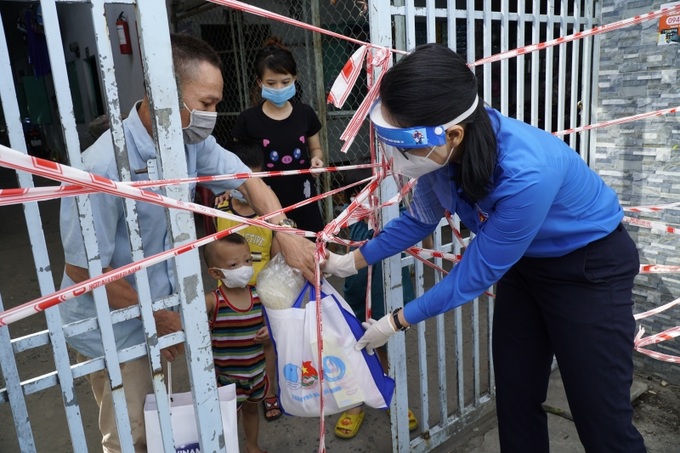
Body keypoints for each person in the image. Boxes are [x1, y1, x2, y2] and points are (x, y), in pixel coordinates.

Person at [323, 43, 647, 453]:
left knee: (600, 417)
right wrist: (350, 261)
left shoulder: (527, 174)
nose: (397, 159)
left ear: (453, 134)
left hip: (588, 270)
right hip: (526, 268)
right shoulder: (443, 158)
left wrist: (395, 321)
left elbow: (474, 274)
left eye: (403, 146)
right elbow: (420, 219)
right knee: (514, 396)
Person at [58, 33, 314, 452]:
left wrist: (284, 232)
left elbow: (249, 180)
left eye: (217, 103)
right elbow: (83, 270)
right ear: (162, 93)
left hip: (160, 309)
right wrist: (154, 317)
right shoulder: (102, 167)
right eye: (207, 103)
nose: (212, 115)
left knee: (162, 422)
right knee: (131, 434)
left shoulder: (189, 142)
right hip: (114, 323)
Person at [334, 162, 417, 438]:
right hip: (358, 296)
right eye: (357, 193)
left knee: (388, 350)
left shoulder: (397, 213)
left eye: (370, 191)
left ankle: (391, 395)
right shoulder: (349, 219)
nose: (365, 198)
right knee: (354, 347)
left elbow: (420, 232)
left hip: (390, 298)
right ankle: (355, 403)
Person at [214, 139, 282, 422]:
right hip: (227, 297)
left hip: (260, 296)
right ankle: (231, 395)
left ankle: (268, 393)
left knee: (265, 344)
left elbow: (278, 262)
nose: (247, 187)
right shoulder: (219, 208)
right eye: (241, 179)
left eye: (255, 179)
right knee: (227, 348)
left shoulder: (272, 215)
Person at [232, 36, 326, 234]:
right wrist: (229, 188)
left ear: (295, 78)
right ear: (259, 82)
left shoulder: (305, 113)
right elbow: (236, 161)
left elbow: (315, 148)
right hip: (263, 199)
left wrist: (317, 159)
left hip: (304, 196)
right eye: (271, 83)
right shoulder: (248, 119)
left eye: (285, 82)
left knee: (311, 246)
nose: (279, 88)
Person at [203, 233, 269, 453]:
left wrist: (269, 332)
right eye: (234, 264)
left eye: (248, 260)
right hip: (226, 378)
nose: (244, 267)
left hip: (257, 373)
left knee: (252, 411)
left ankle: (252, 446)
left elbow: (274, 323)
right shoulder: (213, 301)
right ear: (215, 272)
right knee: (228, 418)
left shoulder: (259, 295)